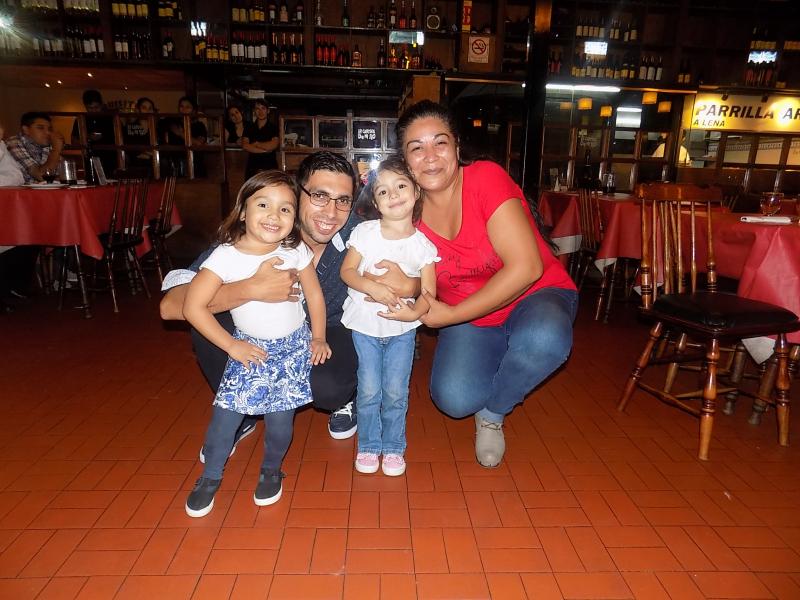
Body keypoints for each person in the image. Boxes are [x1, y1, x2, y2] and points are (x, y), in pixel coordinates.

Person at [159, 151, 418, 443]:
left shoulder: (362, 235)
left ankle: (349, 397)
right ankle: (242, 410)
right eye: (319, 196)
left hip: (329, 331)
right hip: (260, 333)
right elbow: (171, 306)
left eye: (343, 200)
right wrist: (249, 289)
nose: (331, 212)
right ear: (297, 193)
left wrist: (412, 286)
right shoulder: (257, 233)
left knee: (327, 388)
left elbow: (419, 263)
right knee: (207, 326)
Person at [396, 100, 578, 468]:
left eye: (440, 143)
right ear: (405, 161)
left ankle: (494, 412)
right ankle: (502, 355)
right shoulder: (406, 212)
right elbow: (418, 279)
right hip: (472, 316)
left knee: (544, 338)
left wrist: (450, 316)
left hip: (535, 296)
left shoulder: (484, 178)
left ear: (457, 147)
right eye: (416, 148)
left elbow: (527, 267)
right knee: (454, 399)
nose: (430, 157)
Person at [182, 170, 330, 517]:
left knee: (280, 424)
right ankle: (210, 475)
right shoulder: (225, 256)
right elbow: (192, 307)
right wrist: (231, 346)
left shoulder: (296, 250)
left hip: (292, 350)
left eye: (285, 209)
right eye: (263, 204)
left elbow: (314, 296)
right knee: (225, 419)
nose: (274, 215)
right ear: (243, 211)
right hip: (250, 350)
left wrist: (318, 336)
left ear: (294, 219)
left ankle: (271, 469)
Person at [340, 156, 438, 477]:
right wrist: (372, 287)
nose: (393, 195)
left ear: (416, 192)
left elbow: (429, 292)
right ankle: (369, 445)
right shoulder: (366, 233)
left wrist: (414, 313)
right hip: (365, 327)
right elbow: (347, 272)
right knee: (369, 389)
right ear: (375, 202)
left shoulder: (423, 245)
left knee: (396, 391)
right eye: (383, 191)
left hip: (402, 332)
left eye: (400, 186)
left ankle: (394, 447)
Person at [5, 112, 65, 184]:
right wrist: (56, 150)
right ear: (26, 130)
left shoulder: (48, 145)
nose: (48, 133)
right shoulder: (14, 143)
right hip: (18, 190)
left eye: (49, 129)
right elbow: (41, 176)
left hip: (44, 190)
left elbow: (61, 177)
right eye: (40, 128)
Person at [70, 89, 117, 177]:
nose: (94, 110)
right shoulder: (81, 119)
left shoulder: (110, 118)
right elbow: (74, 139)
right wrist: (87, 137)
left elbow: (118, 138)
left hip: (110, 159)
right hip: (90, 157)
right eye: (90, 108)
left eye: (96, 107)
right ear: (85, 106)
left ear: (101, 104)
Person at [160, 96, 208, 177]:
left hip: (194, 162)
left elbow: (199, 143)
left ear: (194, 110)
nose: (184, 109)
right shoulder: (172, 121)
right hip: (175, 162)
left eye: (187, 107)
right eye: (181, 106)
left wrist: (181, 133)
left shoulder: (199, 125)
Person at [242, 98, 279, 180]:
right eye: (257, 109)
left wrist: (256, 144)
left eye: (263, 108)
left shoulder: (274, 127)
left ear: (268, 111)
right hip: (252, 168)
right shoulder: (249, 127)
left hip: (270, 167)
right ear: (254, 111)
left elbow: (273, 145)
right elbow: (245, 145)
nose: (260, 112)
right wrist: (265, 150)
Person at [124, 97, 157, 171]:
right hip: (136, 161)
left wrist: (152, 154)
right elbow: (128, 147)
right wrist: (140, 153)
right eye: (144, 108)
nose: (148, 111)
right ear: (138, 110)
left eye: (150, 108)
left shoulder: (157, 127)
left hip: (155, 160)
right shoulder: (131, 126)